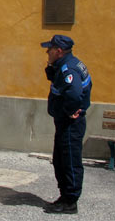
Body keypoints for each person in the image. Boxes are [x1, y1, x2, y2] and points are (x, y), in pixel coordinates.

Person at [42, 35, 91, 214]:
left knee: (69, 161)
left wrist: (70, 110)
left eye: (50, 49)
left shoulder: (68, 68)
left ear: (59, 51)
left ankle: (70, 201)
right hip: (65, 122)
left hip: (70, 123)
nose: (47, 52)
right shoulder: (66, 65)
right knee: (60, 159)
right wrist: (51, 68)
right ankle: (64, 196)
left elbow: (74, 93)